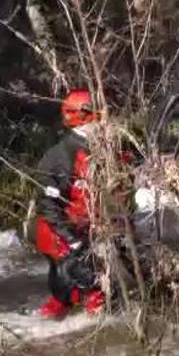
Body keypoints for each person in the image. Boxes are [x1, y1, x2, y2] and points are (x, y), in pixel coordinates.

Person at [34, 88, 106, 319]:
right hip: (60, 231)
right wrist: (72, 239)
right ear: (86, 116)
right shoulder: (60, 157)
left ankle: (66, 308)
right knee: (91, 287)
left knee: (70, 291)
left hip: (86, 226)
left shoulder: (100, 149)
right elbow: (47, 204)